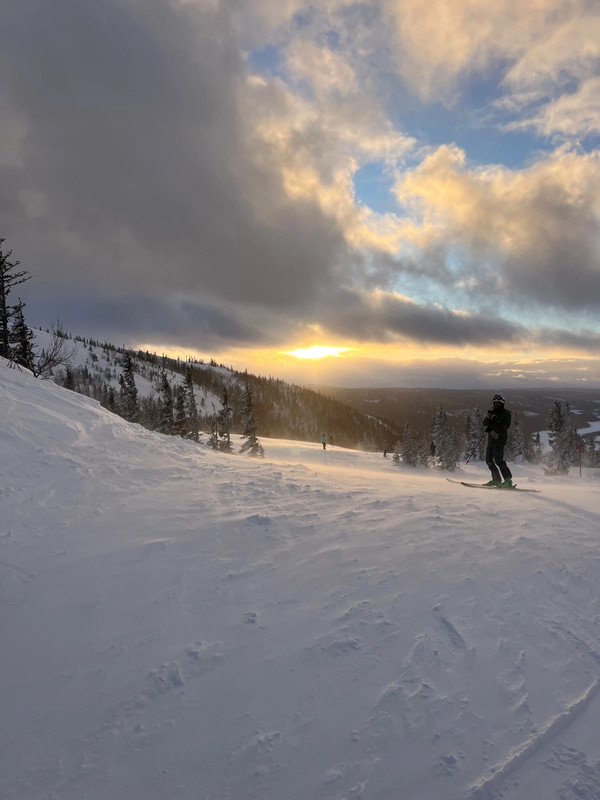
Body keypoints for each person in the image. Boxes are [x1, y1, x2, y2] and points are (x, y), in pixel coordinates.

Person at [484, 394, 513, 487]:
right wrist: (488, 418)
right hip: (491, 439)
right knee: (489, 460)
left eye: (498, 403)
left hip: (499, 439)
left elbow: (505, 426)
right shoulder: (492, 412)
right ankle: (496, 480)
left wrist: (497, 422)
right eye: (495, 403)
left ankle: (508, 481)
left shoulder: (506, 414)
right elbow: (484, 423)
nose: (496, 404)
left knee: (499, 461)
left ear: (502, 403)